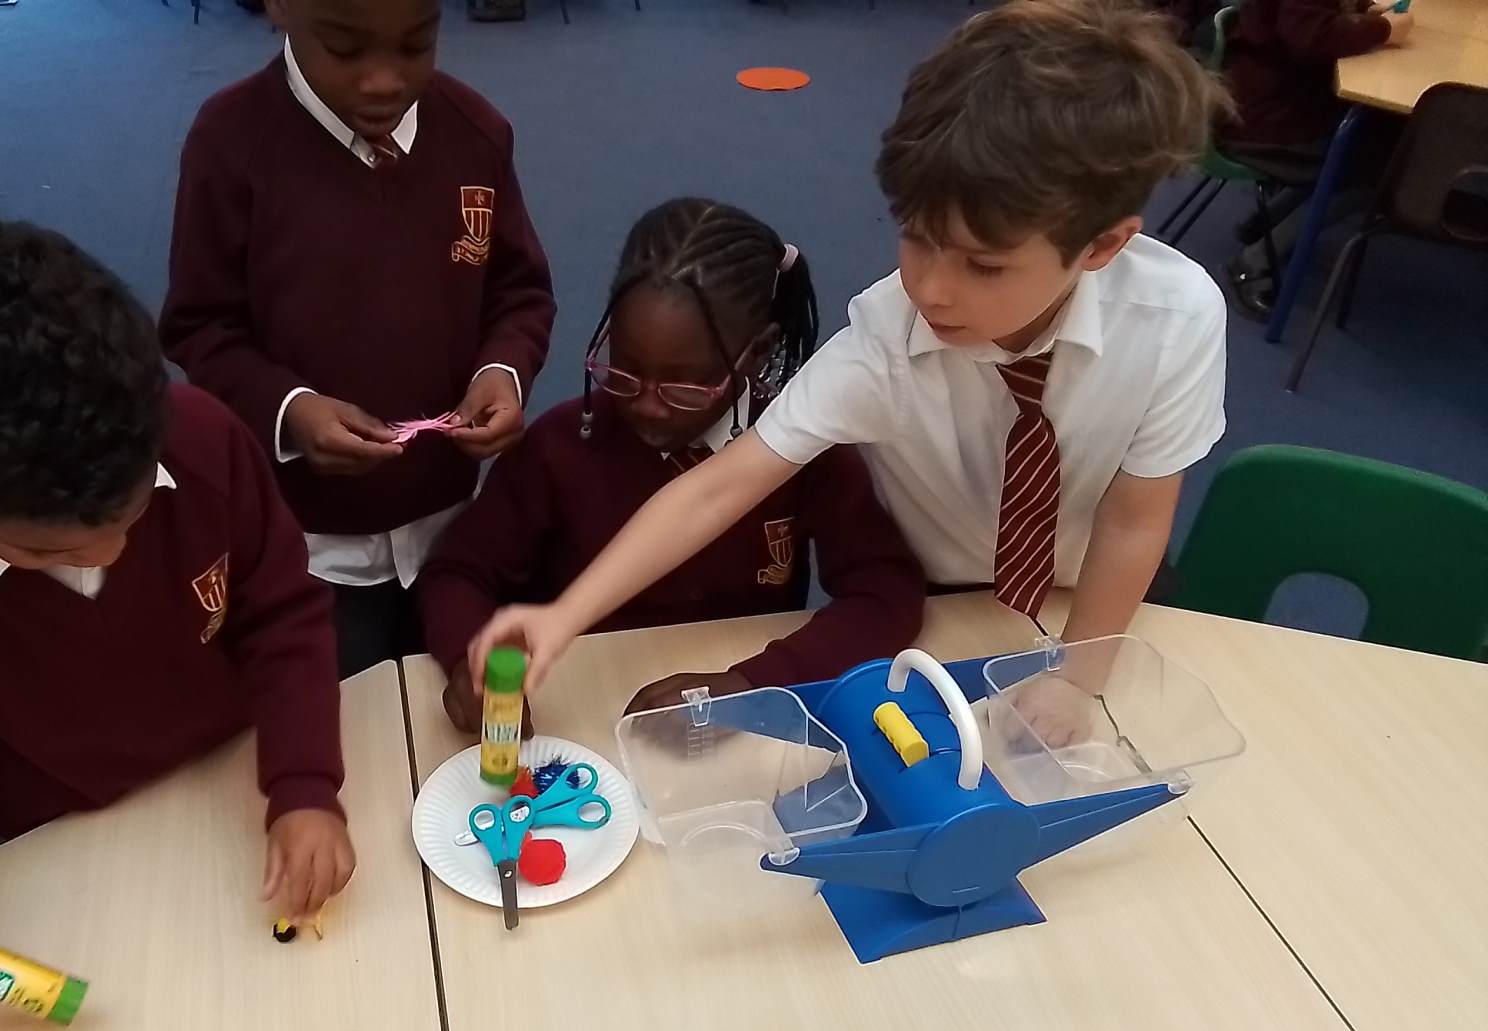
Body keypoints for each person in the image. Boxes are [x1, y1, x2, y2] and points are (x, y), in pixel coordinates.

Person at [469, 0, 1229, 746]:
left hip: (1104, 597)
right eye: (917, 237)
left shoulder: (1177, 317)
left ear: (1102, 247)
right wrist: (565, 616)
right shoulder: (886, 337)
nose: (930, 288)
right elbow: (718, 487)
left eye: (984, 265)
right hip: (948, 600)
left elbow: (1134, 522)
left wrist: (1078, 676)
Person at [0, 218, 353, 992]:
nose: (108, 557)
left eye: (136, 512)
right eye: (45, 552)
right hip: (55, 829)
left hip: (234, 773)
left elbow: (285, 614)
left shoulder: (203, 438)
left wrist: (304, 785)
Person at [417, 198, 924, 728]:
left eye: (685, 385)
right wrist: (468, 663)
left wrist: (751, 685)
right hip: (578, 707)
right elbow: (458, 570)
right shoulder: (559, 446)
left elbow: (885, 592)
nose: (647, 405)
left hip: (733, 718)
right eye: (625, 370)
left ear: (756, 354)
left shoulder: (807, 449)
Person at [159, 0, 556, 677]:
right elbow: (200, 324)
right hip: (310, 544)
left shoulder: (476, 132)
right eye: (346, 50)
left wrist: (503, 369)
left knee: (451, 708)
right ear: (280, 8)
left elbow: (519, 293)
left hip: (450, 528)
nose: (384, 81)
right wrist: (291, 409)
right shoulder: (229, 142)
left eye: (416, 45)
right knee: (341, 715)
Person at [1218, 0, 1411, 319]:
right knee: (1383, 169)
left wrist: (1366, 11)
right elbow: (1310, 35)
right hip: (1265, 121)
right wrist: (1384, 29)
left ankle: (1267, 223)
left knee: (1378, 139)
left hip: (1264, 102)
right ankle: (1252, 264)